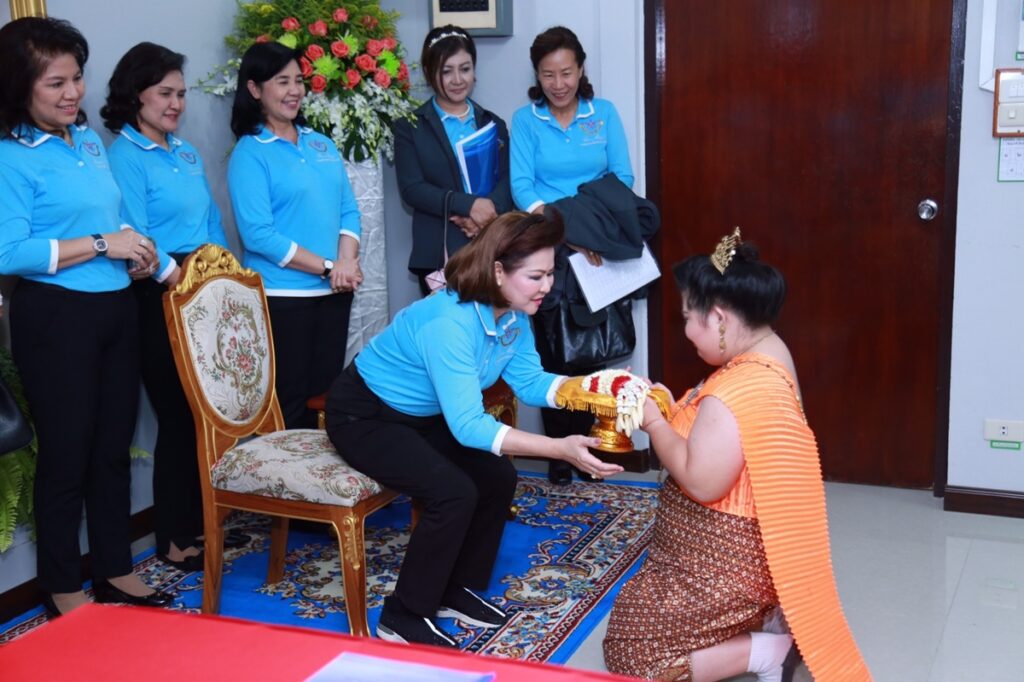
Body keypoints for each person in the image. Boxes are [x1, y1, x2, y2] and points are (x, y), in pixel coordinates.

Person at [325, 211, 623, 648]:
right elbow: (467, 426)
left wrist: (599, 388)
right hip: (364, 415)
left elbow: (531, 382)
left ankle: (452, 590)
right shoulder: (449, 323)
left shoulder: (515, 314)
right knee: (453, 491)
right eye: (536, 276)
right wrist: (559, 448)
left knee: (498, 476)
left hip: (423, 416)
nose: (547, 286)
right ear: (498, 270)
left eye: (550, 274)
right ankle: (402, 616)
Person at [603, 230, 870, 681]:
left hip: (726, 564)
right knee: (641, 607)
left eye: (690, 318)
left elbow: (704, 480)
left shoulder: (738, 390)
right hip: (743, 555)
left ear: (721, 318)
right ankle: (764, 617)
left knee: (631, 653)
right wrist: (673, 409)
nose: (686, 330)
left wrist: (653, 423)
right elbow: (727, 437)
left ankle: (767, 651)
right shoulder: (771, 353)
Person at [0, 17, 173, 616]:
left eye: (76, 78)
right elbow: (9, 253)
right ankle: (61, 583)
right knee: (67, 454)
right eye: (56, 83)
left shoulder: (89, 141)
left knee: (112, 449)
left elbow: (109, 220)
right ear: (21, 86)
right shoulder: (10, 157)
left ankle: (114, 567)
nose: (73, 93)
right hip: (56, 319)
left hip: (115, 309)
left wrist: (136, 248)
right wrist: (103, 244)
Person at [101, 42, 239, 572]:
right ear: (136, 94)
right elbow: (133, 234)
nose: (176, 104)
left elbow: (211, 226)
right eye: (165, 93)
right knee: (177, 418)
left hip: (201, 286)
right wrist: (178, 280)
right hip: (159, 291)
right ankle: (173, 537)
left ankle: (204, 521)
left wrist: (223, 274)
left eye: (181, 94)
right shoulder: (124, 155)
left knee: (205, 417)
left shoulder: (184, 152)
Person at [509, 26, 638, 486]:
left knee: (598, 355)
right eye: (548, 75)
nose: (558, 83)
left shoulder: (602, 114)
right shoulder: (526, 121)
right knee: (552, 356)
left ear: (581, 70)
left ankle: (596, 452)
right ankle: (560, 458)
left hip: (598, 251)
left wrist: (585, 229)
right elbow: (522, 187)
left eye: (566, 72)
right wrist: (566, 230)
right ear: (538, 76)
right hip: (548, 250)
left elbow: (620, 179)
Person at [228, 42, 362, 430]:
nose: (294, 91)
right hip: (284, 298)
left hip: (334, 293)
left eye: (299, 81)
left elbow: (348, 210)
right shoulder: (250, 153)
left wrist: (347, 262)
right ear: (255, 90)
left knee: (325, 398)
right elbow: (258, 235)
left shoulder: (321, 144)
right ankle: (288, 488)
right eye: (282, 81)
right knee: (290, 402)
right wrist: (327, 267)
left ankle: (320, 486)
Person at [393, 24, 512, 297]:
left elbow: (507, 180)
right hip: (438, 252)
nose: (457, 79)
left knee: (492, 332)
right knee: (447, 335)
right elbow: (412, 189)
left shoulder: (493, 124)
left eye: (465, 68)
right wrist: (470, 206)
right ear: (428, 72)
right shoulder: (410, 126)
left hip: (491, 246)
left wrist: (487, 215)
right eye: (446, 71)